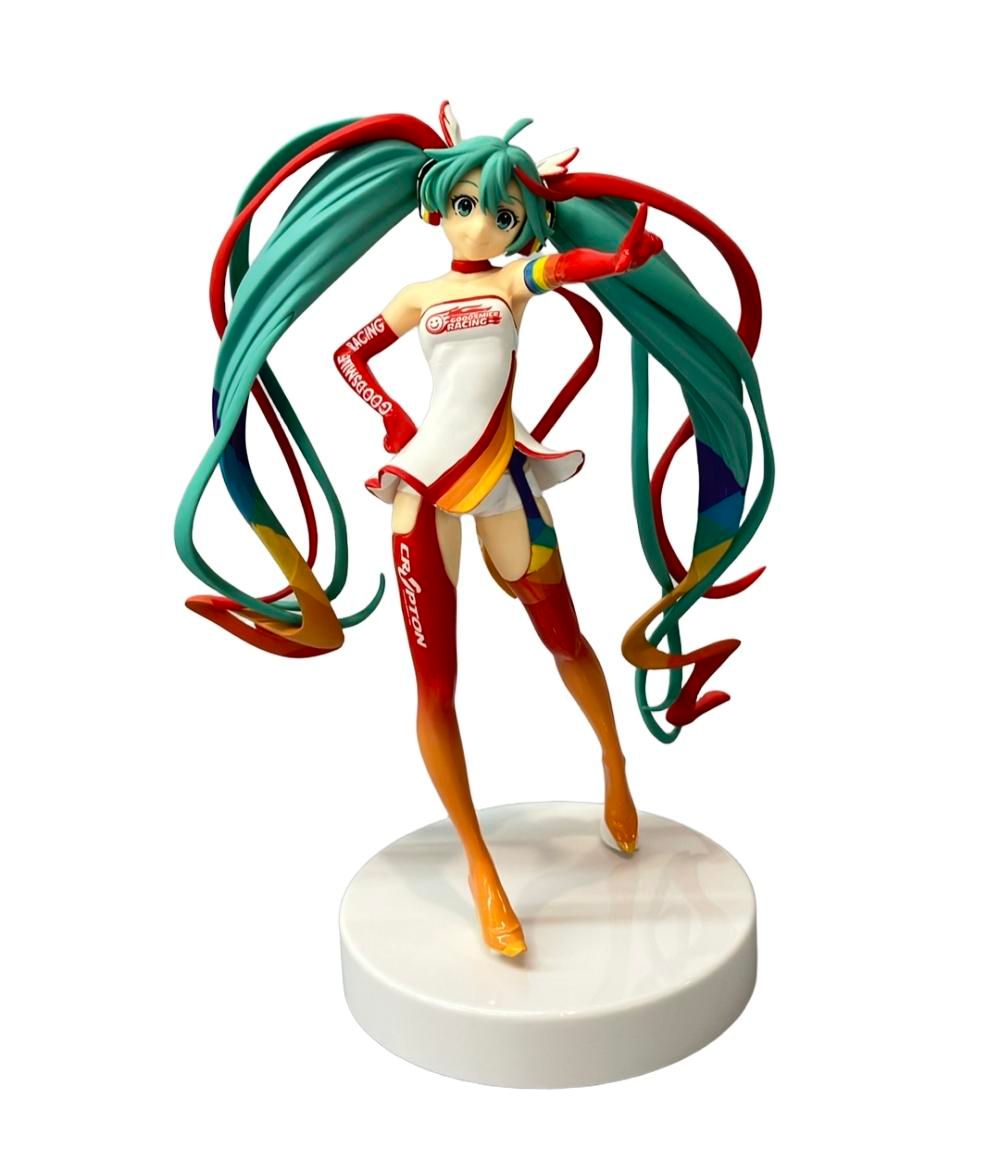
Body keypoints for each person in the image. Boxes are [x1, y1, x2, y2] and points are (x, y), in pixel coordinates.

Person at [175, 103, 774, 957]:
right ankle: (482, 869)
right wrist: (389, 417)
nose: (481, 225)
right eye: (465, 206)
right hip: (423, 485)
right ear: (436, 209)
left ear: (521, 222)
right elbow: (349, 355)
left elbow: (565, 267)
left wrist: (620, 260)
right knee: (435, 686)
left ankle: (615, 764)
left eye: (502, 213)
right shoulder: (418, 297)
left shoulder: (513, 283)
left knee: (566, 640)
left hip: (506, 485)